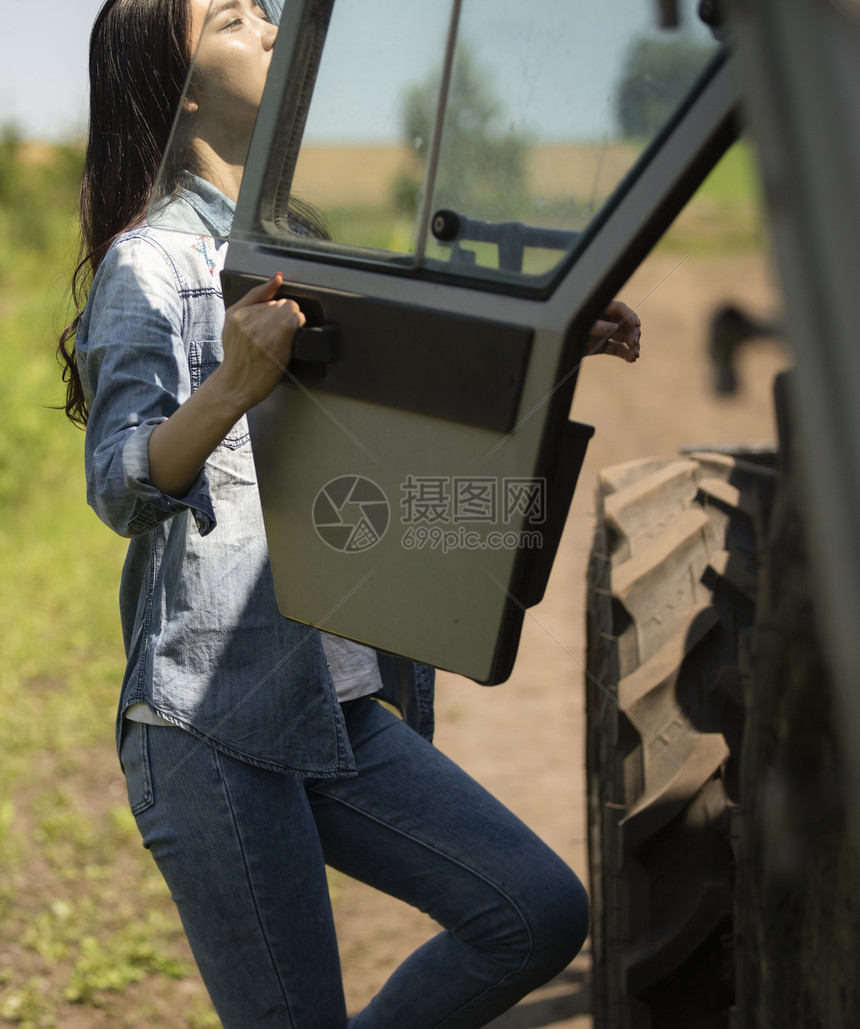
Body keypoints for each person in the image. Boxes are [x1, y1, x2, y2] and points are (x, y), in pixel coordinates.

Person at [57, 1, 641, 1026]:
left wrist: (549, 341)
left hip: (337, 707)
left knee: (534, 912)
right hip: (213, 724)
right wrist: (230, 388)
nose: (274, 26)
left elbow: (389, 422)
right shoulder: (148, 266)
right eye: (233, 17)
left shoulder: (307, 245)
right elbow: (118, 481)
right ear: (180, 80)